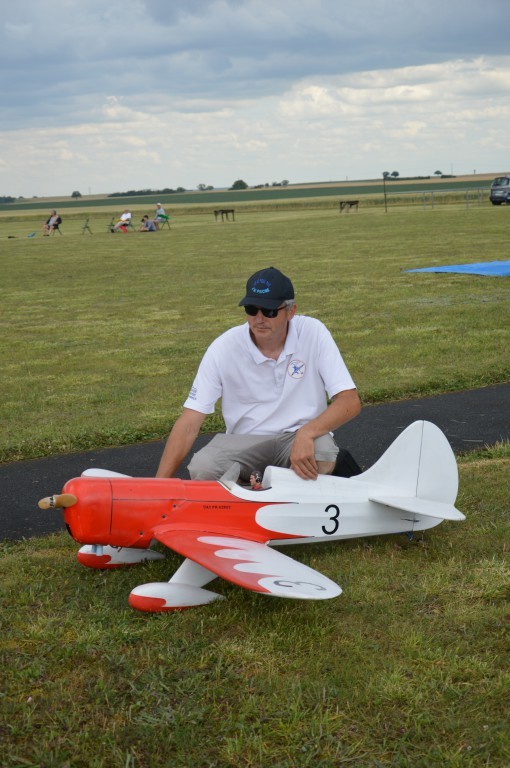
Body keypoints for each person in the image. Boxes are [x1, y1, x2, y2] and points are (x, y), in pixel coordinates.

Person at [156, 266, 361, 484]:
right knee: (203, 468)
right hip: (244, 442)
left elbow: (350, 401)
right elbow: (189, 423)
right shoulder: (224, 347)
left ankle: (258, 490)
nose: (259, 318)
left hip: (296, 437)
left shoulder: (313, 332)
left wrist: (307, 432)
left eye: (270, 311)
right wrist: (157, 486)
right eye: (252, 309)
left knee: (323, 453)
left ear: (290, 312)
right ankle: (260, 489)